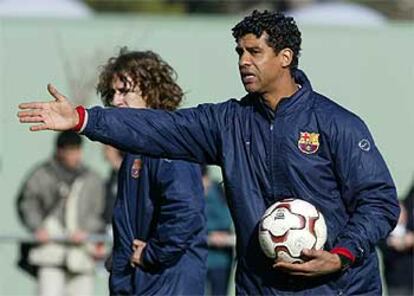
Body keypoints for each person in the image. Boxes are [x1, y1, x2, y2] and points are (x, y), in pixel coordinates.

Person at [17, 10, 400, 295]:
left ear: (285, 57)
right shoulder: (228, 122)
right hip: (260, 288)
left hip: (340, 286)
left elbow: (380, 201)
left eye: (254, 51)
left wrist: (342, 254)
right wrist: (84, 119)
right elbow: (158, 126)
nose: (243, 61)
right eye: (239, 52)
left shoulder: (336, 123)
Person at [96, 48, 207, 295]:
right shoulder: (134, 149)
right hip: (139, 283)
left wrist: (152, 254)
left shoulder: (171, 144)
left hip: (167, 284)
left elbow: (185, 212)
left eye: (124, 91)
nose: (116, 101)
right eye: (112, 93)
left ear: (151, 92)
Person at [16, 131, 106, 296]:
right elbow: (27, 203)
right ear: (60, 151)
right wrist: (37, 227)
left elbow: (101, 212)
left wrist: (87, 231)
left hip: (81, 254)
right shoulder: (42, 175)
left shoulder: (91, 178)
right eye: (70, 150)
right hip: (50, 250)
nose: (75, 155)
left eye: (77, 150)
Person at [202, 166, 234, 296]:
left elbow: (228, 219)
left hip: (221, 260)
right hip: (201, 259)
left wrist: (226, 238)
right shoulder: (191, 196)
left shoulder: (220, 192)